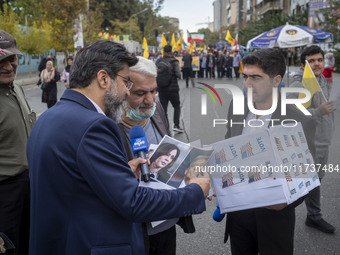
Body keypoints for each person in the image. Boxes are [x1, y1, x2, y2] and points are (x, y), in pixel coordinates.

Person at [27, 40, 210, 255]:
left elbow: (78, 186)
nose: (126, 91)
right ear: (104, 78)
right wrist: (195, 191)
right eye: (126, 82)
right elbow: (133, 202)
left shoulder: (47, 118)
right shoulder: (94, 125)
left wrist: (121, 172)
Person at [224, 48, 316, 255]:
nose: (247, 84)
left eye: (256, 78)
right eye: (245, 76)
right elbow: (229, 140)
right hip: (239, 212)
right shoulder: (237, 106)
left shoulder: (298, 117)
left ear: (276, 81)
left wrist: (290, 199)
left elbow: (312, 168)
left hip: (275, 216)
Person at [118, 56, 196, 255]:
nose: (150, 100)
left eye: (154, 91)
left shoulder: (157, 110)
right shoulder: (106, 126)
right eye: (141, 93)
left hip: (166, 222)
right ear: (121, 89)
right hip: (133, 232)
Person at [289, 45, 335, 234]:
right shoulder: (298, 84)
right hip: (306, 141)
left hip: (322, 139)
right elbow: (292, 113)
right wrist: (318, 112)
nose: (317, 64)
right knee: (299, 180)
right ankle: (276, 217)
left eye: (319, 60)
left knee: (316, 178)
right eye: (311, 61)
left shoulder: (322, 78)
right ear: (303, 64)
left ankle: (313, 216)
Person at [0, 29, 36, 255]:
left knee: (29, 244)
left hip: (29, 184)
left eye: (12, 59)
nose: (9, 66)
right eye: (1, 60)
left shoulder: (18, 89)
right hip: (4, 193)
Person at [156, 45, 184, 132]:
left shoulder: (158, 61)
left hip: (161, 89)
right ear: (171, 51)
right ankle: (176, 125)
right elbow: (179, 75)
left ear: (163, 52)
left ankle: (165, 127)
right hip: (173, 89)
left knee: (164, 109)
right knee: (176, 106)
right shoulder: (174, 61)